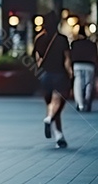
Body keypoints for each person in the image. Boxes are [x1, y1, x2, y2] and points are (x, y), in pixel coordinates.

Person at [33, 14, 73, 148]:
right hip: (59, 74)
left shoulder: (38, 39)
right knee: (58, 102)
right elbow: (67, 58)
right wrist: (70, 72)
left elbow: (38, 59)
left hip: (45, 76)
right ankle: (50, 119)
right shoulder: (62, 39)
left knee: (50, 103)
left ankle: (59, 135)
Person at [70, 26, 97, 113]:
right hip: (90, 65)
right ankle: (87, 99)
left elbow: (71, 55)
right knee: (89, 83)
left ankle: (80, 104)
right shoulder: (91, 44)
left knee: (78, 83)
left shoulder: (74, 43)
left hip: (77, 64)